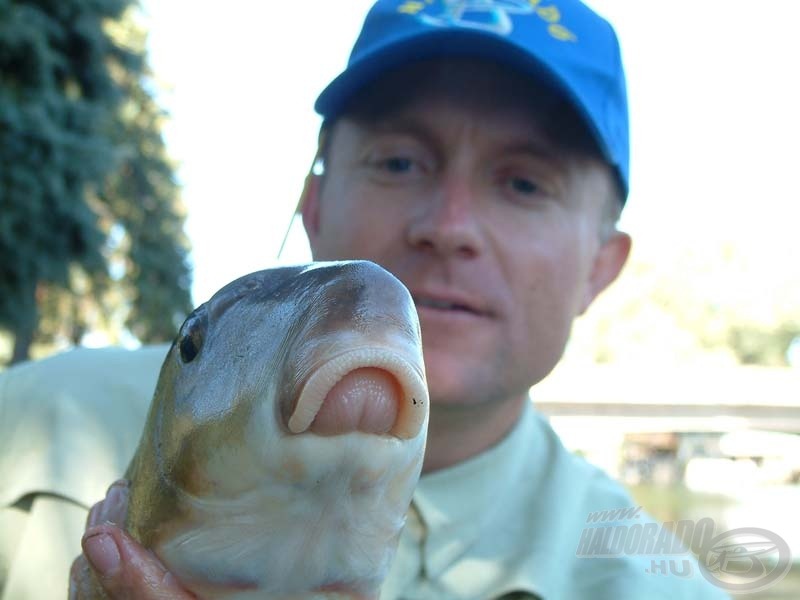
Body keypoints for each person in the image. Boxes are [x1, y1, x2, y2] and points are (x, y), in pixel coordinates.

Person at [0, 1, 730, 598]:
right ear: (313, 207)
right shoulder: (23, 426)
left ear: (602, 268)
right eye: (400, 161)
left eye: (524, 183)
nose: (448, 227)